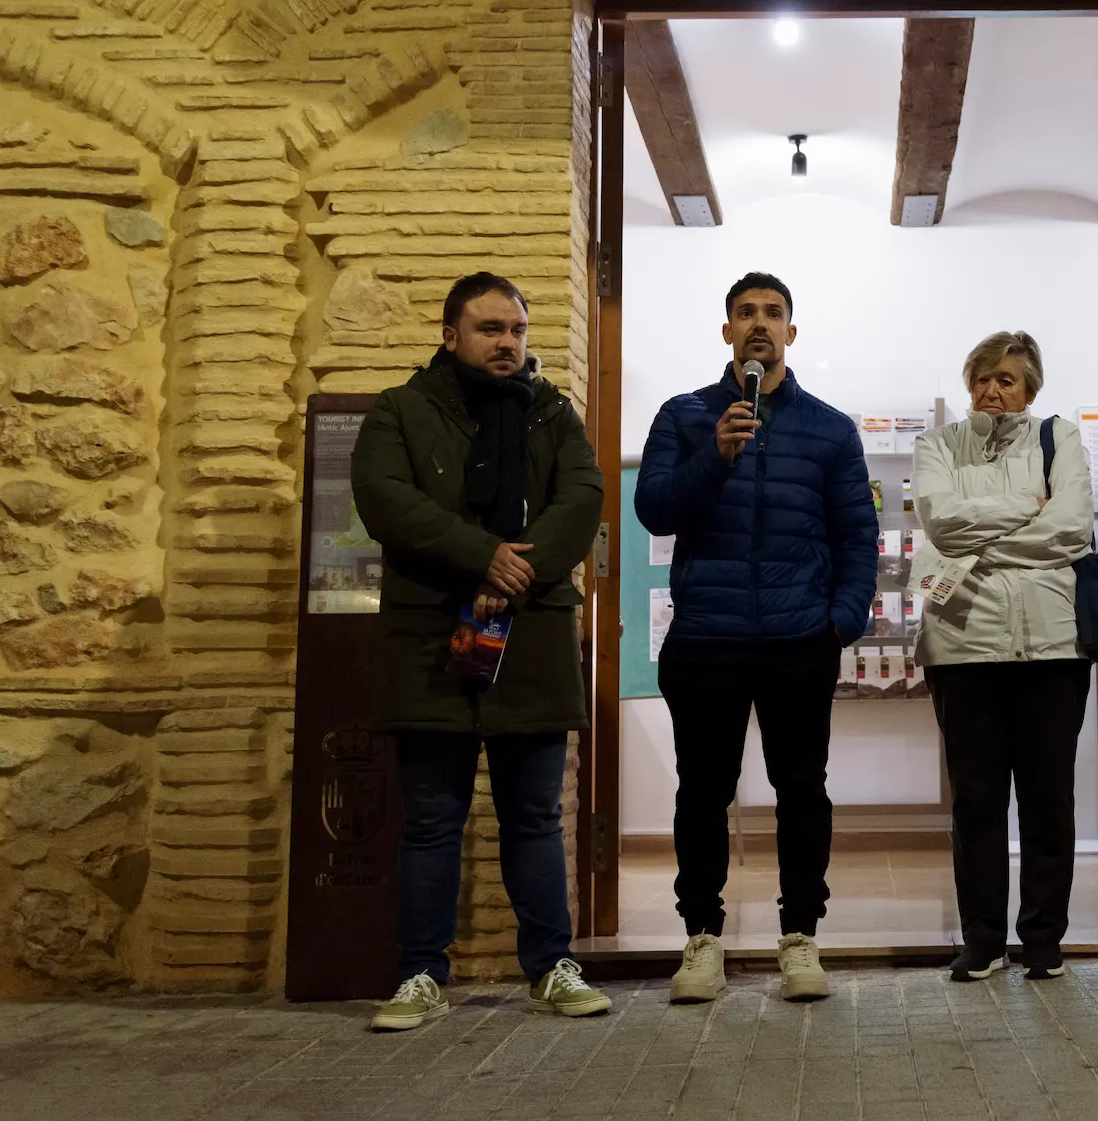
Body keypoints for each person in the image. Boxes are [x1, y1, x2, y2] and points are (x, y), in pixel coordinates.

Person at [351, 272, 609, 1031]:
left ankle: (551, 967)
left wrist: (512, 574)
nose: (507, 344)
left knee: (535, 815)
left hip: (529, 635)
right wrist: (481, 556)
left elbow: (582, 498)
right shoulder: (400, 410)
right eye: (490, 329)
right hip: (432, 634)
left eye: (517, 330)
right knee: (432, 818)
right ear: (450, 335)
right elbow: (386, 500)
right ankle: (420, 974)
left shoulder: (551, 411)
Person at [635, 272, 878, 1004]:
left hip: (799, 639)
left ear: (791, 333)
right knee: (702, 793)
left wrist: (842, 619)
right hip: (706, 639)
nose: (760, 324)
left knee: (801, 789)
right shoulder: (684, 415)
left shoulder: (830, 429)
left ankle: (800, 936)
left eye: (773, 313)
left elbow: (856, 535)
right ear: (727, 332)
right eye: (746, 313)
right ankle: (701, 939)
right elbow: (653, 509)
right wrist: (714, 454)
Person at [912, 331, 1094, 982]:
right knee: (977, 804)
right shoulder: (937, 444)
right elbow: (940, 523)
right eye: (982, 378)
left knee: (1049, 801)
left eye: (1006, 380)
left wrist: (979, 544)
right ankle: (983, 940)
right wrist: (1025, 508)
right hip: (962, 646)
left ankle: (1043, 939)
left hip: (1052, 645)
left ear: (1030, 388)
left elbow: (1071, 528)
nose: (992, 390)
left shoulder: (1059, 438)